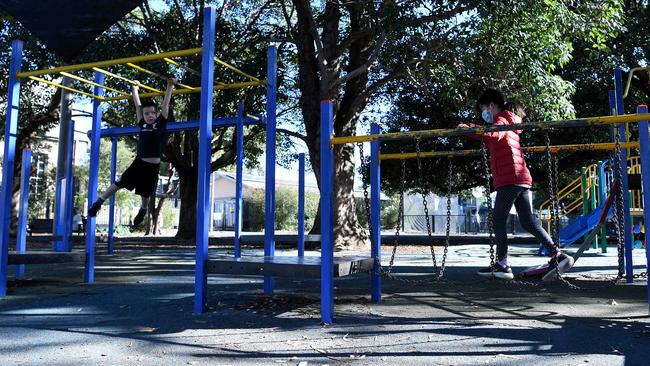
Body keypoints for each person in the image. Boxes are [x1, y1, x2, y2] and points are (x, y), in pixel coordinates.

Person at [457, 88, 574, 281]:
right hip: (520, 177)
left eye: (484, 108)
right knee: (528, 222)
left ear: (491, 105)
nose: (484, 113)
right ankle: (557, 255)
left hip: (509, 177)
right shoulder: (511, 123)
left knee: (498, 221)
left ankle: (502, 264)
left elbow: (494, 135)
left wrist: (470, 128)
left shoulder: (501, 119)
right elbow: (492, 139)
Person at [87, 77, 176, 227]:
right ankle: (98, 202)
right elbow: (137, 105)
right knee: (119, 182)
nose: (149, 116)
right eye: (146, 113)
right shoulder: (142, 124)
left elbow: (165, 104)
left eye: (152, 113)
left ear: (156, 114)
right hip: (140, 162)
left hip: (153, 166)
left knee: (146, 192)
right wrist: (135, 89)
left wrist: (170, 86)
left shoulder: (160, 123)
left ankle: (142, 210)